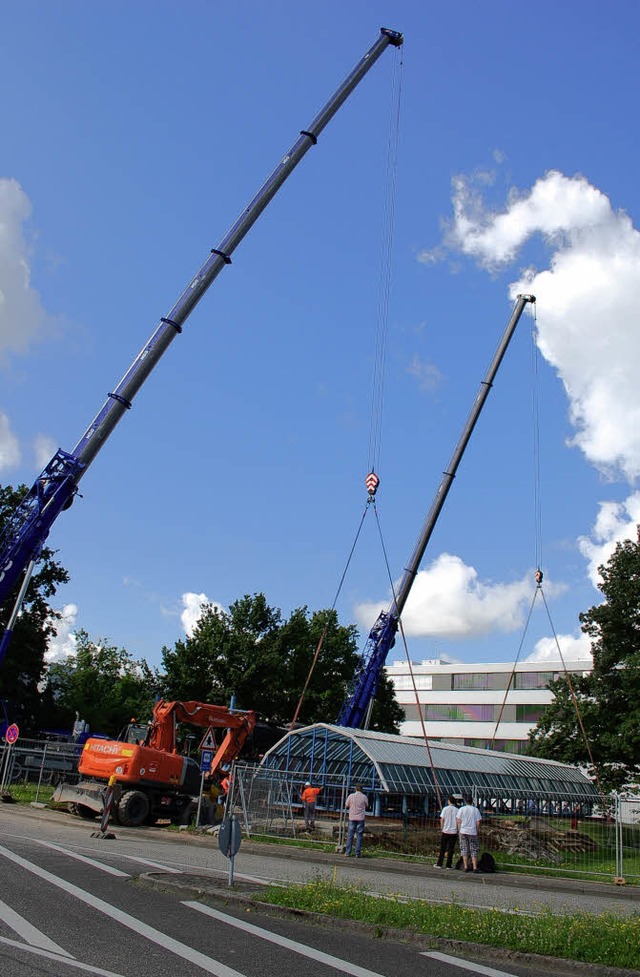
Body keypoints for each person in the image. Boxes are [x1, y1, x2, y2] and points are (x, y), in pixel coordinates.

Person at [457, 794, 482, 873]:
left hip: (463, 831)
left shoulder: (461, 809)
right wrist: (476, 830)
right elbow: (478, 822)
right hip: (472, 831)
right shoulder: (476, 810)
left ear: (465, 801)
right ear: (472, 801)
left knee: (464, 849)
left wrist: (459, 830)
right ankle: (475, 867)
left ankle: (465, 866)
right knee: (473, 849)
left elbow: (459, 821)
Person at [344, 784, 368, 857]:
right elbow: (366, 805)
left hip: (352, 817)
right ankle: (357, 853)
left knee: (350, 835)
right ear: (362, 789)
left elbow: (346, 805)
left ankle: (348, 852)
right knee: (359, 835)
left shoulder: (351, 796)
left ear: (355, 789)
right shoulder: (364, 797)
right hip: (360, 818)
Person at [435, 795, 459, 869]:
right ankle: (448, 865)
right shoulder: (457, 810)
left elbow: (442, 819)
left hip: (446, 831)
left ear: (449, 801)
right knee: (451, 849)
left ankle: (440, 863)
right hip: (454, 831)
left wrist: (442, 828)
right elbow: (458, 821)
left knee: (443, 848)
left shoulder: (445, 809)